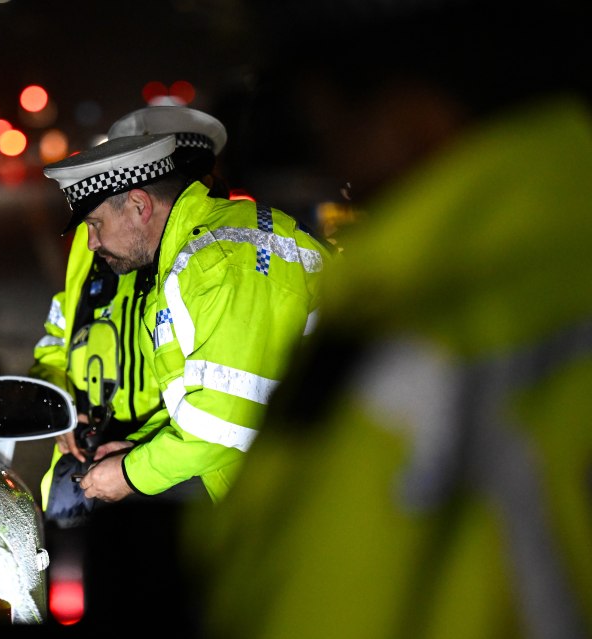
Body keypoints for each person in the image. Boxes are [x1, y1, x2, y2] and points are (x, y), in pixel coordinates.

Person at [177, 0, 592, 637]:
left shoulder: (424, 330)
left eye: (327, 124)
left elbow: (319, 597)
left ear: (410, 116)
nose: (339, 175)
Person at [41, 130, 334, 506]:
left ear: (138, 205)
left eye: (95, 224)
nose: (92, 243)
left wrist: (131, 473)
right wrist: (142, 442)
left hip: (312, 499)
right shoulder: (191, 255)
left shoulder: (225, 262)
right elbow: (206, 396)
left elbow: (224, 420)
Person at [31, 106, 231, 526]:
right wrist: (60, 402)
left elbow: (222, 409)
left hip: (182, 472)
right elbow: (56, 342)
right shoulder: (96, 249)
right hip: (95, 467)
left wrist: (136, 459)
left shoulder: (216, 264)